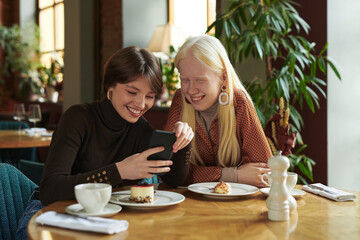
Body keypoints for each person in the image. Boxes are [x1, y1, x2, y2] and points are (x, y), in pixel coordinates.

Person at [39, 46, 194, 206]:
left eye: (149, 96)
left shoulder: (140, 128)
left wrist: (184, 140)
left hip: (108, 219)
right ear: (109, 86)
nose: (141, 104)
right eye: (132, 92)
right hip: (58, 215)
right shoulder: (78, 118)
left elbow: (174, 180)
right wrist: (120, 171)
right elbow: (50, 191)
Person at [165, 35, 272, 187]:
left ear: (223, 77)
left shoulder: (239, 103)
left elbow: (264, 173)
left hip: (238, 204)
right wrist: (234, 175)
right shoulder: (180, 100)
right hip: (193, 204)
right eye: (185, 80)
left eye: (200, 80)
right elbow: (170, 172)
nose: (190, 89)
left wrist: (198, 174)